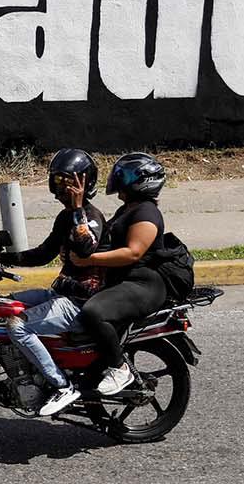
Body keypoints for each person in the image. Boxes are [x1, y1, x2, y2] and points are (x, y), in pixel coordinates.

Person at [0, 148, 107, 417]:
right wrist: (0, 259)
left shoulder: (90, 216)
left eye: (70, 181)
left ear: (85, 183)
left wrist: (79, 208)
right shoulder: (65, 217)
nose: (63, 187)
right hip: (61, 293)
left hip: (80, 303)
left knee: (17, 326)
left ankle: (62, 385)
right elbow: (44, 253)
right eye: (59, 181)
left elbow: (85, 249)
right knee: (1, 306)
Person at [77, 151, 169, 396]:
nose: (119, 178)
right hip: (124, 281)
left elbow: (132, 253)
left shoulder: (147, 213)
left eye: (126, 174)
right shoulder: (128, 209)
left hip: (143, 285)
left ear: (143, 180)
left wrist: (90, 260)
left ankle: (119, 369)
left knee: (93, 312)